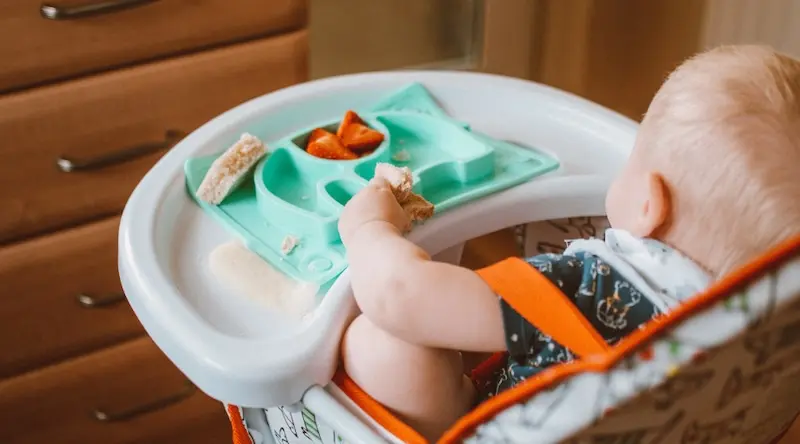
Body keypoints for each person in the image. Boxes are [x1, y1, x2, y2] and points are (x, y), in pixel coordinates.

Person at [337, 45, 800, 440]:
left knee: (382, 344)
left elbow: (400, 294)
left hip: (495, 424)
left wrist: (366, 229)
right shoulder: (759, 338)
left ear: (648, 204)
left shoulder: (594, 289)